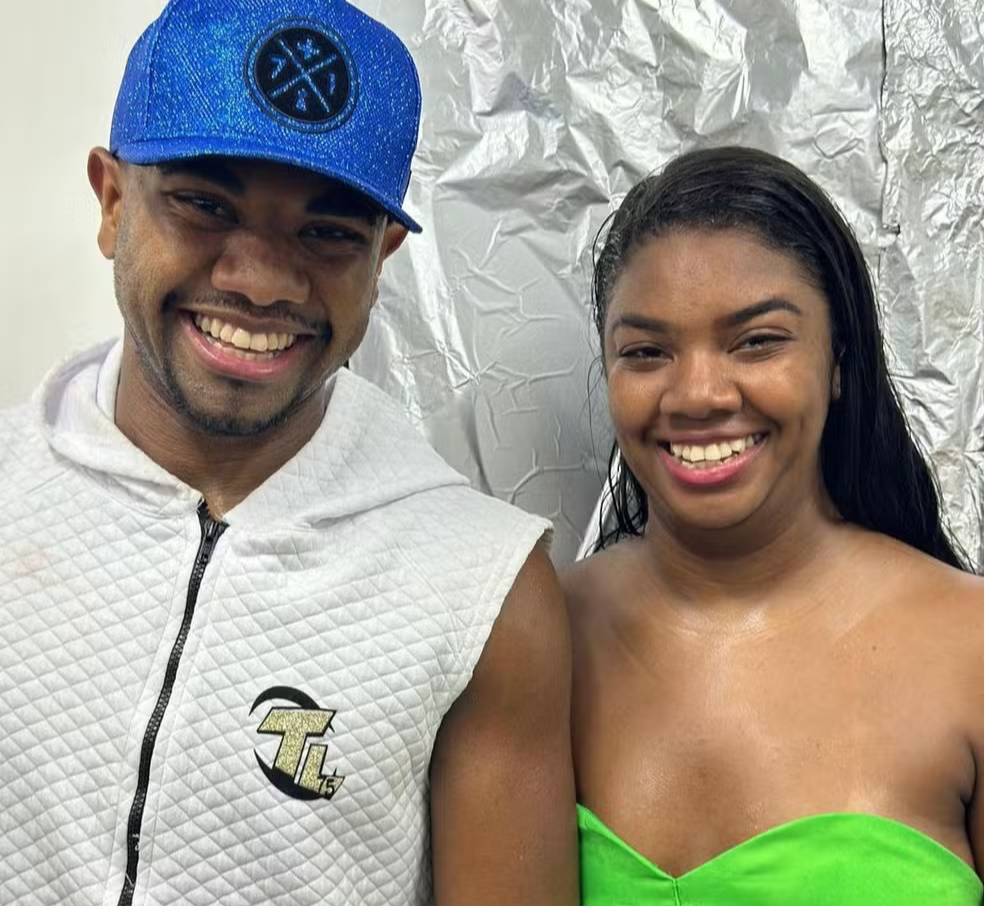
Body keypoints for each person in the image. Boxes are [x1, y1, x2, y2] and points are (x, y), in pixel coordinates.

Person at [0, 2, 578, 904]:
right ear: (113, 203)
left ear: (381, 257)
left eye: (328, 232)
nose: (261, 281)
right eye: (205, 205)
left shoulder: (482, 590)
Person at [564, 146, 984, 904]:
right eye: (647, 352)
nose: (698, 394)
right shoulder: (537, 639)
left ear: (839, 361)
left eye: (757, 341)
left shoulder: (971, 647)